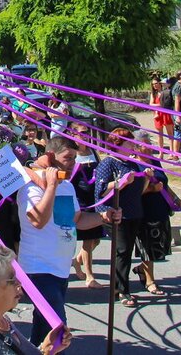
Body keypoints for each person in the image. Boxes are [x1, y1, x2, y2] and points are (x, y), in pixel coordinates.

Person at [19, 136, 120, 344]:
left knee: (43, 326)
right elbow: (38, 220)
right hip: (39, 268)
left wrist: (104, 217)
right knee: (57, 327)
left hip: (61, 267)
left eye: (75, 158)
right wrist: (51, 186)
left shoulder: (67, 186)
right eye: (67, 158)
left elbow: (78, 220)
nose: (73, 164)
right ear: (49, 157)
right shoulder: (31, 186)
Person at [94, 128, 151, 307]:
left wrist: (147, 178)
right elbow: (101, 191)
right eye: (129, 143)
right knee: (122, 252)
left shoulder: (133, 164)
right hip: (116, 214)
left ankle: (123, 288)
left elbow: (139, 191)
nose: (132, 146)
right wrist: (121, 182)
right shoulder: (108, 163)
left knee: (127, 253)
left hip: (135, 213)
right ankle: (120, 290)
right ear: (117, 145)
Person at [131, 130, 181, 297]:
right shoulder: (132, 165)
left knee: (158, 245)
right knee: (146, 247)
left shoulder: (154, 162)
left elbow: (163, 182)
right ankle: (150, 281)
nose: (150, 147)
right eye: (146, 145)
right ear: (137, 147)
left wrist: (174, 197)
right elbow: (133, 191)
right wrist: (151, 187)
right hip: (143, 210)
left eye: (150, 144)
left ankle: (141, 270)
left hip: (160, 209)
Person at [69, 122, 104, 290]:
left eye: (87, 132)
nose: (85, 135)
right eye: (81, 133)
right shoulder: (73, 155)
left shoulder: (93, 152)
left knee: (95, 239)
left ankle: (77, 262)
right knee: (88, 241)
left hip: (93, 200)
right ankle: (90, 276)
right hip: (79, 200)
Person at [150, 77, 174, 152]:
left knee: (170, 134)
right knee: (159, 135)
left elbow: (169, 103)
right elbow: (151, 104)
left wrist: (160, 105)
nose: (155, 85)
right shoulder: (154, 94)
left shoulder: (166, 92)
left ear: (160, 83)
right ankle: (161, 152)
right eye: (153, 84)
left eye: (156, 83)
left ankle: (172, 152)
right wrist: (160, 105)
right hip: (157, 115)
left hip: (166, 113)